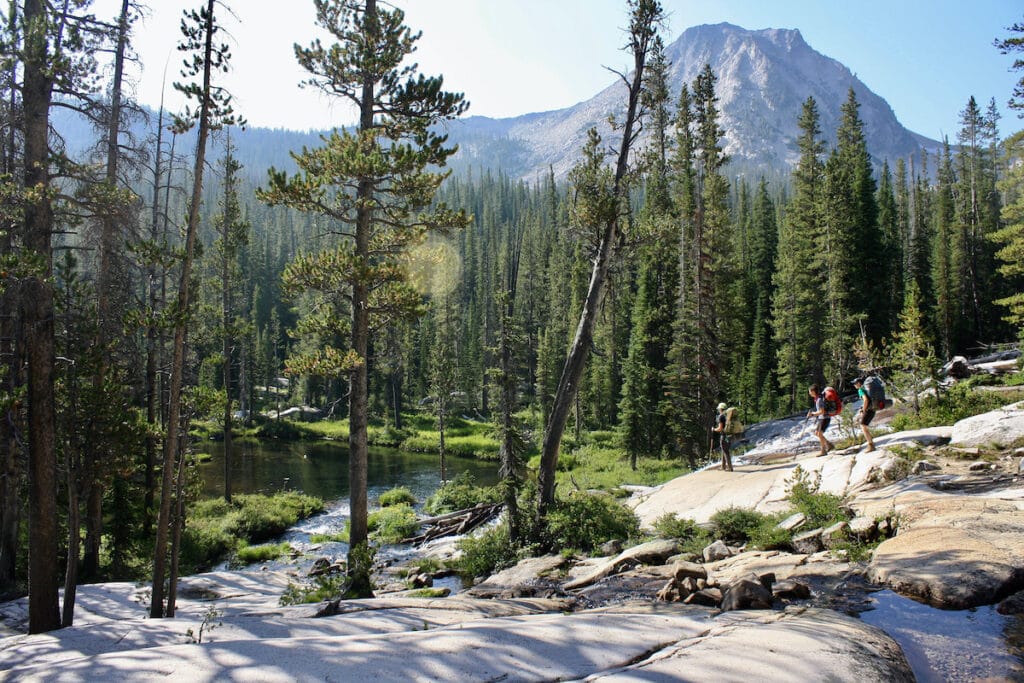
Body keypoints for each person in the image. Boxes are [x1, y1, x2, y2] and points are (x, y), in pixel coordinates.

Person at [806, 384, 835, 456]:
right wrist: (813, 413)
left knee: (819, 433)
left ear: (813, 391)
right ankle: (829, 445)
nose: (809, 393)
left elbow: (822, 411)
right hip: (822, 418)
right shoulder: (818, 398)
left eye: (810, 391)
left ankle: (823, 451)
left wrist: (812, 414)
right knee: (817, 433)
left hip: (825, 418)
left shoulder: (819, 400)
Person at [853, 377, 877, 452]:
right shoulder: (866, 389)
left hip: (868, 409)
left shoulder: (861, 389)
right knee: (864, 426)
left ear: (859, 383)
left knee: (863, 426)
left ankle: (871, 445)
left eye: (855, 383)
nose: (854, 385)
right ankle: (871, 443)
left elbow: (866, 400)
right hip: (873, 408)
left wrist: (863, 409)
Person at [712, 402, 733, 471]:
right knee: (724, 450)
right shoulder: (728, 415)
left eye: (719, 409)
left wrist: (714, 429)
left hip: (724, 436)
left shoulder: (721, 416)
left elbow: (720, 428)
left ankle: (730, 467)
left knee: (725, 451)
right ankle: (723, 466)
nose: (718, 410)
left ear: (721, 409)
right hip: (730, 435)